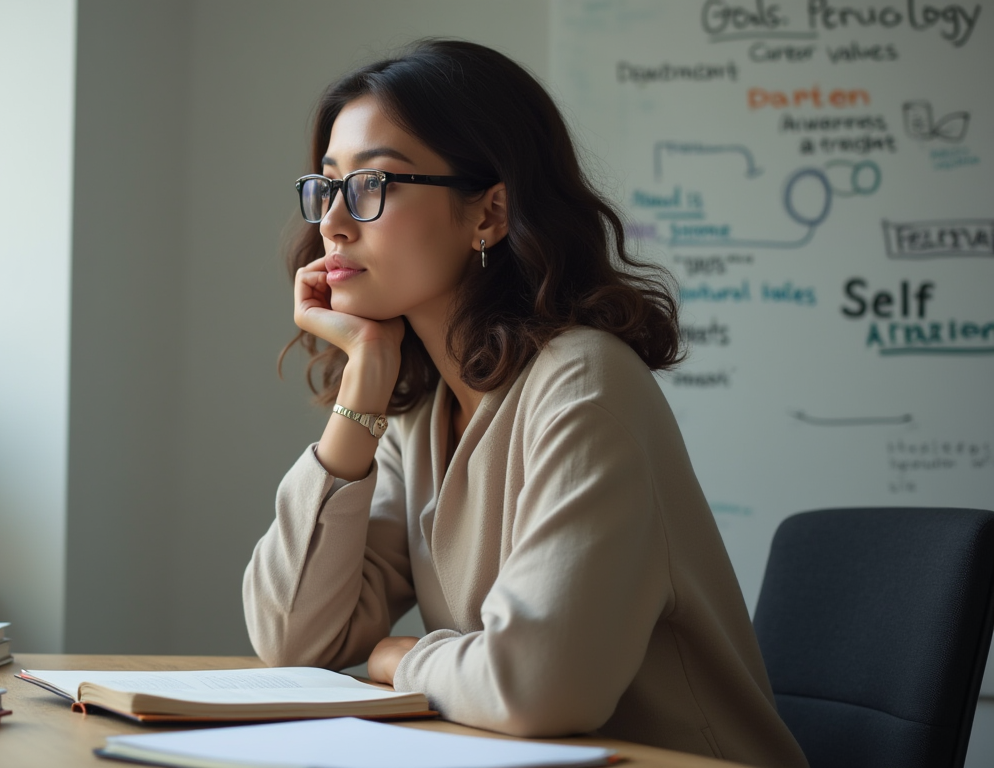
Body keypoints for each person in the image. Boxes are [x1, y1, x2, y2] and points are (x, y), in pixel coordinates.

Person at [241, 39, 808, 768]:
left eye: (373, 184)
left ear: (490, 213)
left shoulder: (584, 385)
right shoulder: (420, 412)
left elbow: (537, 687)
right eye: (327, 186)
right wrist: (364, 382)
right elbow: (294, 640)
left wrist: (398, 658)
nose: (335, 224)